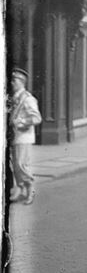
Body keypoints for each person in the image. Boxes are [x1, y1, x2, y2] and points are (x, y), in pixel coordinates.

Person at [9, 68, 42, 205]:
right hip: (14, 136)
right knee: (15, 165)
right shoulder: (14, 97)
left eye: (14, 80)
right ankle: (21, 189)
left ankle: (30, 190)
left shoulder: (28, 99)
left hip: (24, 136)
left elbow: (36, 118)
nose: (11, 83)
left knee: (22, 165)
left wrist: (22, 122)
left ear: (22, 82)